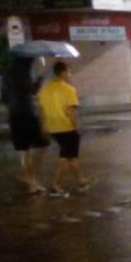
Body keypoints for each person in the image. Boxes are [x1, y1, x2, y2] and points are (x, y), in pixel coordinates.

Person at [39, 61, 89, 196]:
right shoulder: (69, 90)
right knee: (66, 157)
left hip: (52, 127)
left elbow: (43, 110)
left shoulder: (45, 90)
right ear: (62, 73)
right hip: (66, 127)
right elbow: (71, 111)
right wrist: (76, 126)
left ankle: (81, 179)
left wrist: (44, 125)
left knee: (70, 155)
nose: (70, 74)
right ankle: (56, 184)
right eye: (68, 71)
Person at [3, 56, 49, 194]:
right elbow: (32, 90)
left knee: (23, 150)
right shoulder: (22, 72)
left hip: (13, 115)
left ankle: (31, 183)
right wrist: (41, 76)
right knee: (42, 145)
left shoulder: (6, 74)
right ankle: (32, 178)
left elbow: (3, 98)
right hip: (26, 113)